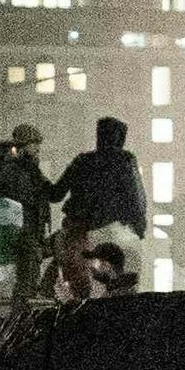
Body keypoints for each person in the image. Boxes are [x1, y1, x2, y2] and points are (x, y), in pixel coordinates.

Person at [54, 120, 148, 293]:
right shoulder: (126, 161)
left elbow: (56, 194)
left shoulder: (82, 161)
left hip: (81, 232)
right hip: (118, 231)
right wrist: (140, 229)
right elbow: (137, 198)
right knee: (126, 285)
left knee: (76, 282)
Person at [0, 125, 57, 300]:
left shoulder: (31, 169)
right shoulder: (14, 168)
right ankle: (23, 317)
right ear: (22, 146)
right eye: (33, 143)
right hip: (23, 234)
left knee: (31, 280)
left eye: (38, 143)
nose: (37, 148)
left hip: (32, 233)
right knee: (26, 286)